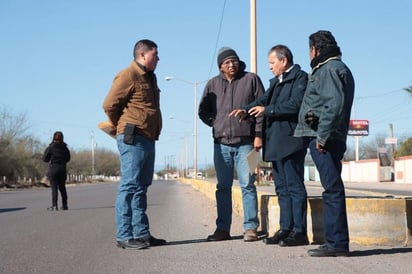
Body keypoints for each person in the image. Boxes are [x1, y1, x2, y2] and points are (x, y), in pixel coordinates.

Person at [230, 45, 309, 246]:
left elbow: (296, 104)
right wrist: (245, 110)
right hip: (275, 143)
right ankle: (286, 228)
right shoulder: (276, 82)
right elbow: (261, 100)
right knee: (281, 188)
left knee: (294, 187)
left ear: (283, 61)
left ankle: (300, 232)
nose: (270, 67)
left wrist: (268, 110)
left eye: (272, 63)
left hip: (291, 141)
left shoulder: (300, 78)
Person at [294, 30, 354, 257]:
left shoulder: (328, 69)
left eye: (309, 50)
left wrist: (322, 136)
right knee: (333, 189)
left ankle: (337, 243)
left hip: (326, 139)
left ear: (315, 50)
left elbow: (333, 104)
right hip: (330, 137)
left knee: (332, 190)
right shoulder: (335, 68)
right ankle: (335, 242)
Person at [102, 39, 166, 250]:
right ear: (143, 55)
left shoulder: (150, 77)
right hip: (132, 136)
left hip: (148, 137)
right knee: (129, 186)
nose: (158, 58)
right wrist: (119, 124)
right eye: (155, 54)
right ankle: (124, 235)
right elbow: (109, 104)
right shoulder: (128, 75)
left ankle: (142, 234)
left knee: (141, 188)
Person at [198, 47, 264, 242]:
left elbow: (261, 109)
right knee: (223, 188)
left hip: (247, 144)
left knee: (248, 185)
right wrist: (215, 122)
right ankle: (222, 229)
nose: (231, 64)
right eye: (227, 62)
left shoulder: (251, 80)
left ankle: (251, 228)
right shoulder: (212, 84)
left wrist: (258, 135)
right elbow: (203, 110)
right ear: (220, 66)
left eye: (234, 61)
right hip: (221, 145)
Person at [42, 131, 71, 211]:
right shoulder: (65, 148)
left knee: (54, 188)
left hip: (53, 169)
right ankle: (65, 205)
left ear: (53, 137)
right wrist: (63, 160)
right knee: (62, 188)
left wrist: (51, 159)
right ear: (62, 138)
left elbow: (44, 158)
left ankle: (54, 206)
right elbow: (68, 158)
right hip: (62, 169)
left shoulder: (50, 147)